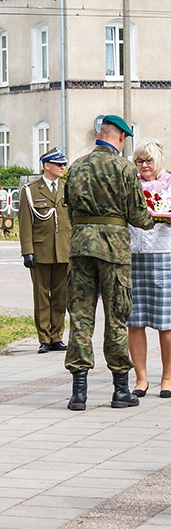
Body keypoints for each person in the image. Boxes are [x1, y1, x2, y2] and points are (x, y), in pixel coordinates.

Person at [64, 115, 153, 411]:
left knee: (80, 317)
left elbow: (69, 210)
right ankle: (120, 390)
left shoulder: (75, 166)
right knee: (116, 317)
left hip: (80, 247)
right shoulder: (124, 169)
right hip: (113, 250)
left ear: (99, 135)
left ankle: (78, 394)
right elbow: (139, 217)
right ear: (120, 138)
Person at [128, 139, 171, 399]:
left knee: (166, 324)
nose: (144, 166)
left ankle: (167, 377)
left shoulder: (169, 184)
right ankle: (141, 378)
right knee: (135, 322)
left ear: (159, 162)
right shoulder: (129, 186)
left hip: (163, 255)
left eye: (148, 160)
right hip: (133, 256)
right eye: (139, 161)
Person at [18, 147, 72, 354]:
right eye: (58, 164)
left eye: (63, 164)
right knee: (41, 295)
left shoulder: (67, 189)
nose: (62, 168)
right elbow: (24, 223)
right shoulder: (31, 191)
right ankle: (44, 337)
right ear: (46, 166)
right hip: (41, 250)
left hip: (64, 250)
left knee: (61, 295)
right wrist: (27, 251)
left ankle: (57, 336)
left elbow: (72, 221)